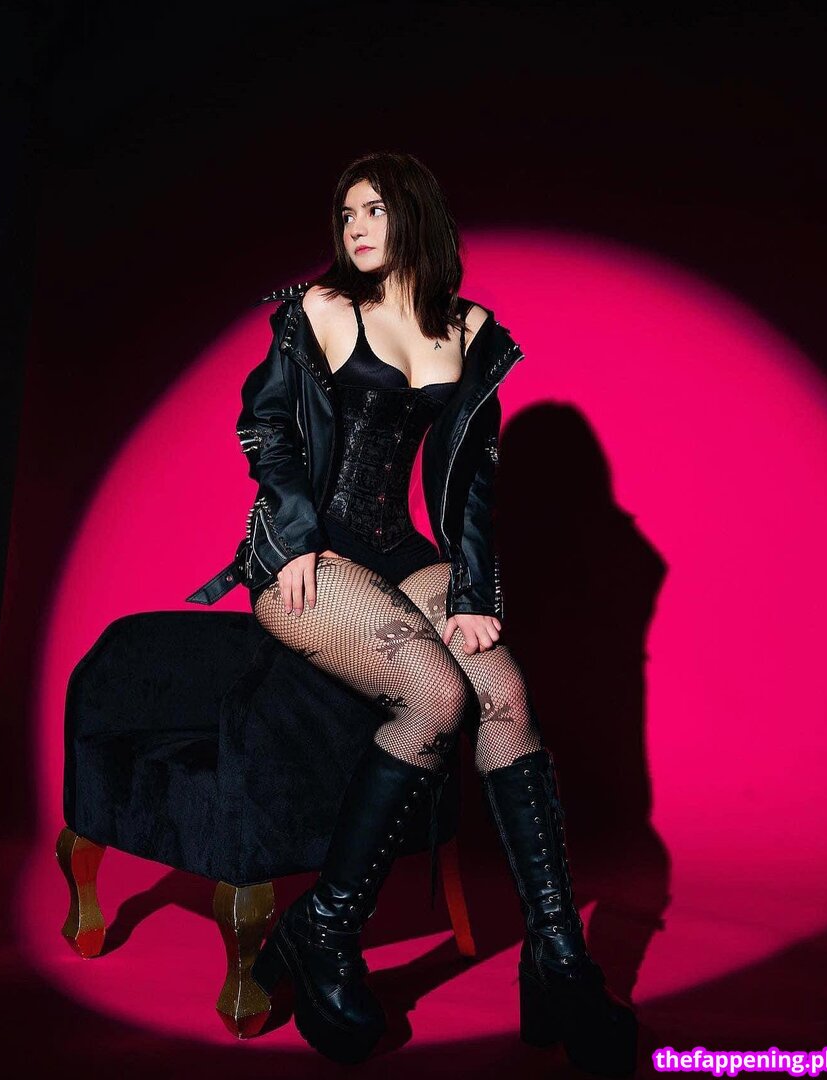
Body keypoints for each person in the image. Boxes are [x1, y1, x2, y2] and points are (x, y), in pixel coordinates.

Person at [204, 152, 637, 1073]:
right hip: (308, 560)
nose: (356, 227)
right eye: (345, 214)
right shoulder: (321, 309)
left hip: (404, 556)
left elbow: (474, 480)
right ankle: (325, 930)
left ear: (414, 215)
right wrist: (295, 534)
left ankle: (558, 959)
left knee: (504, 694)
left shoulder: (470, 330)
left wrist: (474, 596)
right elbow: (265, 427)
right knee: (436, 697)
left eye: (374, 210)